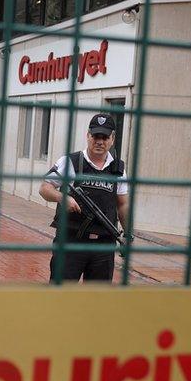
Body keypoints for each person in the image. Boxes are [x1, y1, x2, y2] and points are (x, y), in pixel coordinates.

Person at [38, 113, 131, 283]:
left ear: (112, 139)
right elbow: (44, 188)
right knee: (60, 296)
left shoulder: (118, 169)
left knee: (96, 300)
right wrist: (62, 197)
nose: (100, 141)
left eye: (104, 137)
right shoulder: (70, 162)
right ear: (88, 136)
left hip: (104, 245)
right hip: (71, 242)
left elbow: (123, 204)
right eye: (95, 136)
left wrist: (128, 234)